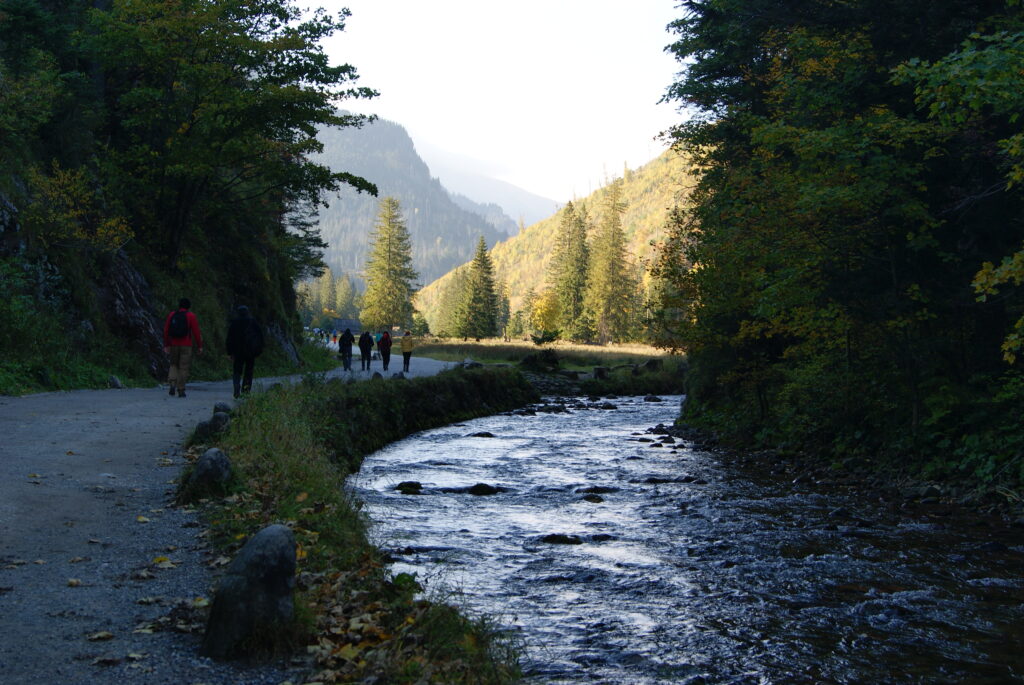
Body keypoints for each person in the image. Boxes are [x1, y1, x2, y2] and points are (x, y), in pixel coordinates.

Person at [163, 298, 203, 398]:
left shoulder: (172, 314)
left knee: (173, 364)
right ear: (188, 306)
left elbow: (166, 330)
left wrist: (167, 344)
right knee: (183, 367)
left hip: (174, 344)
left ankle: (172, 384)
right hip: (186, 345)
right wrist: (199, 346)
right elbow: (196, 332)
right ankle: (181, 389)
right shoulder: (191, 316)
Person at [226, 305, 263, 398]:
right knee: (249, 371)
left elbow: (229, 338)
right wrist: (258, 350)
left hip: (237, 351)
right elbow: (260, 336)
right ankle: (246, 391)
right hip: (250, 351)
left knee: (237, 370)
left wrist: (229, 352)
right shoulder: (252, 321)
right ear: (247, 312)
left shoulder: (234, 322)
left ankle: (236, 387)